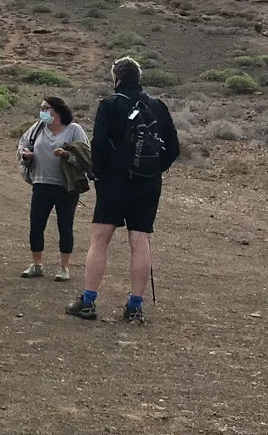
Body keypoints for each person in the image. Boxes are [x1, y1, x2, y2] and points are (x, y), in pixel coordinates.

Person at [66, 57, 180, 324]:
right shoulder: (158, 106)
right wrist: (155, 170)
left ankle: (88, 301)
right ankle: (135, 306)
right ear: (138, 77)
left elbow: (99, 145)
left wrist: (99, 173)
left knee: (100, 239)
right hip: (148, 184)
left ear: (116, 78)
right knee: (140, 240)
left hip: (114, 183)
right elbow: (173, 148)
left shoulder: (110, 104)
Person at [16, 95, 87, 281]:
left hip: (66, 186)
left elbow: (85, 156)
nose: (42, 112)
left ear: (58, 110)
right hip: (41, 184)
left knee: (65, 226)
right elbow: (23, 145)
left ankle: (64, 267)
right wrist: (25, 155)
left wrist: (66, 155)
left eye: (46, 108)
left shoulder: (74, 130)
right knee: (36, 225)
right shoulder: (37, 128)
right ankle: (36, 264)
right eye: (41, 108)